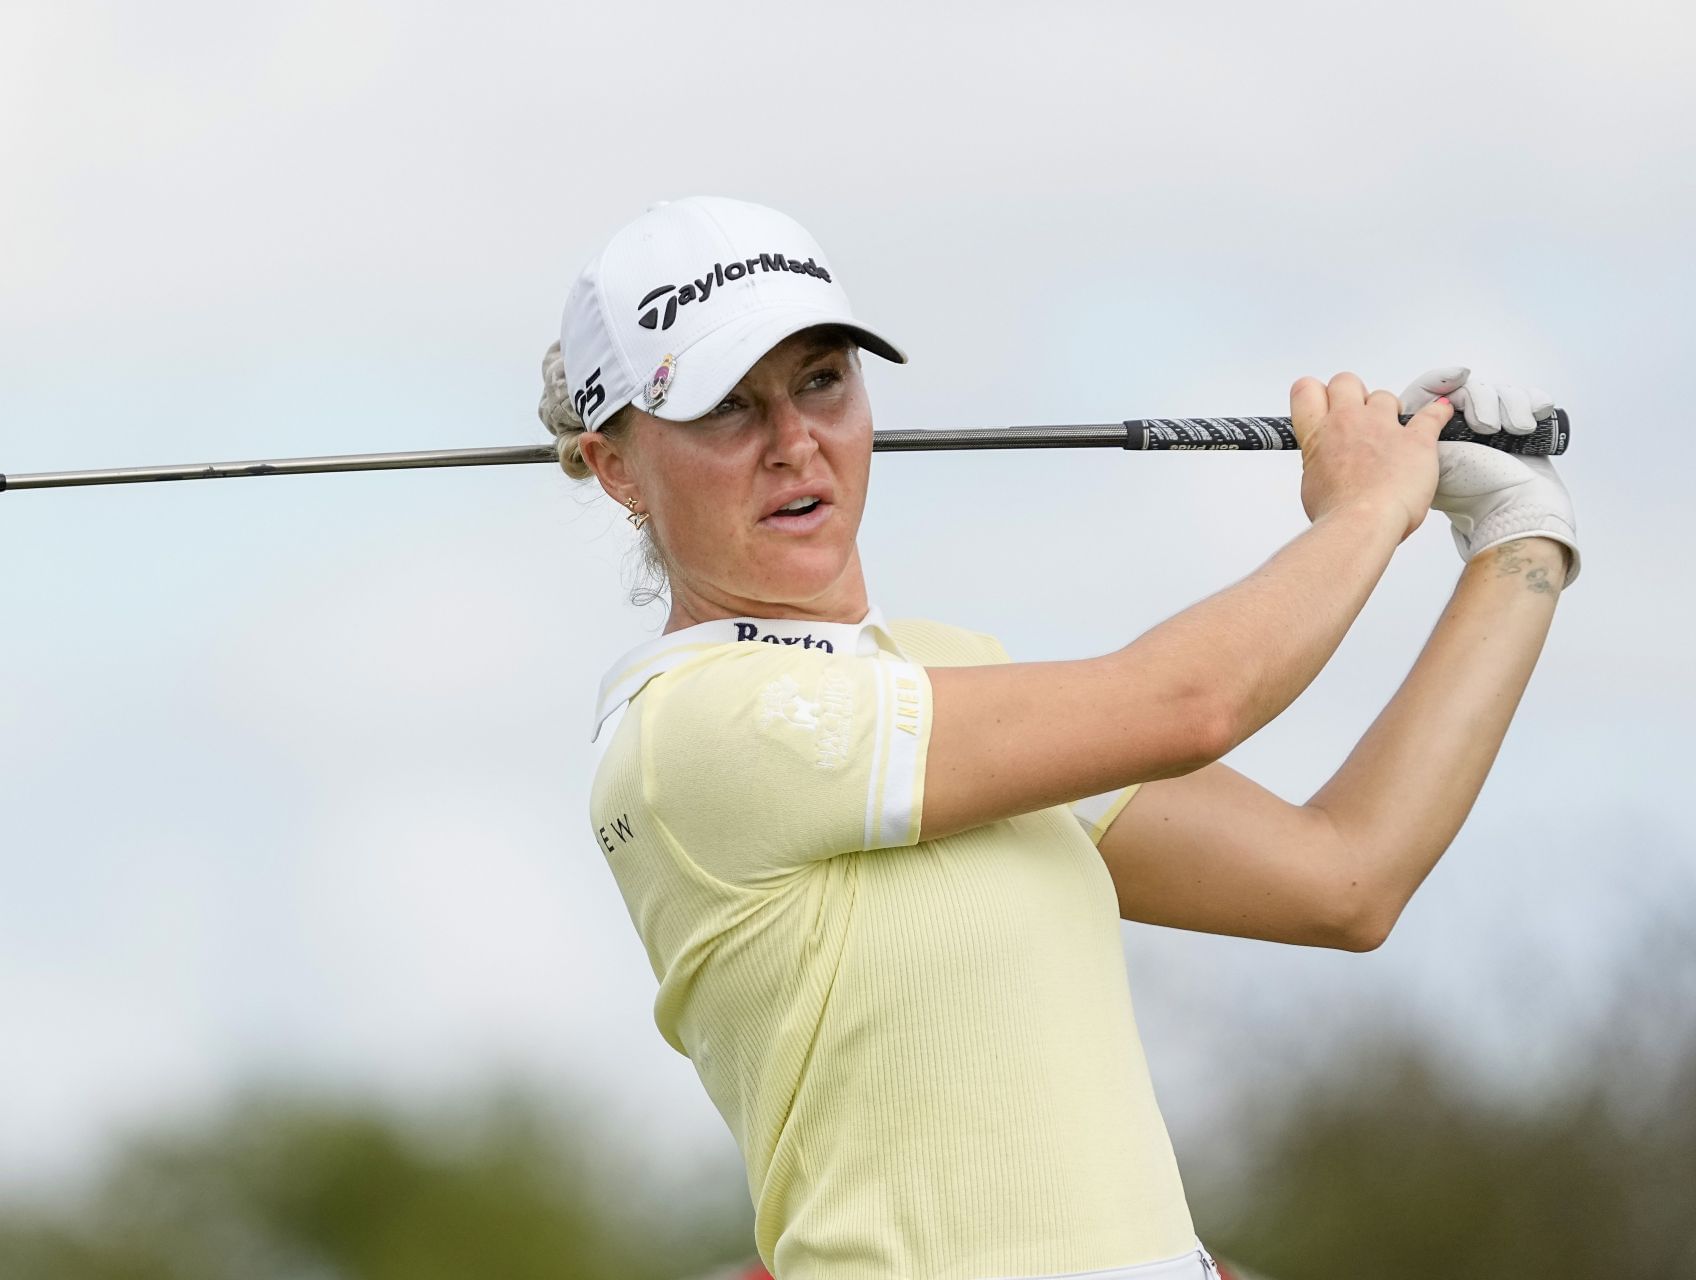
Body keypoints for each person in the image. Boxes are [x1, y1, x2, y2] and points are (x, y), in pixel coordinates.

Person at [538, 196, 1580, 1280]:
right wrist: (1368, 508)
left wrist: (1517, 540)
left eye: (820, 381)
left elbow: (1345, 876)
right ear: (616, 467)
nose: (795, 444)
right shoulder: (697, 726)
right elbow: (1190, 703)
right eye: (725, 409)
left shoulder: (946, 678)